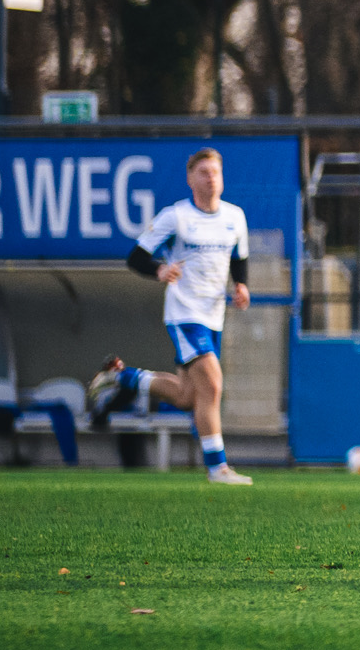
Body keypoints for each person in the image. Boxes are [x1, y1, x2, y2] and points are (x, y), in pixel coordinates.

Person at [93, 148, 255, 487]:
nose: (211, 179)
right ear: (190, 178)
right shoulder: (177, 216)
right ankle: (218, 469)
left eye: (215, 172)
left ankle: (122, 378)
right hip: (184, 313)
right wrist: (160, 269)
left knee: (186, 396)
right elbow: (136, 257)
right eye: (204, 173)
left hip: (214, 316)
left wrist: (241, 286)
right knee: (212, 384)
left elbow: (239, 258)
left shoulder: (234, 217)